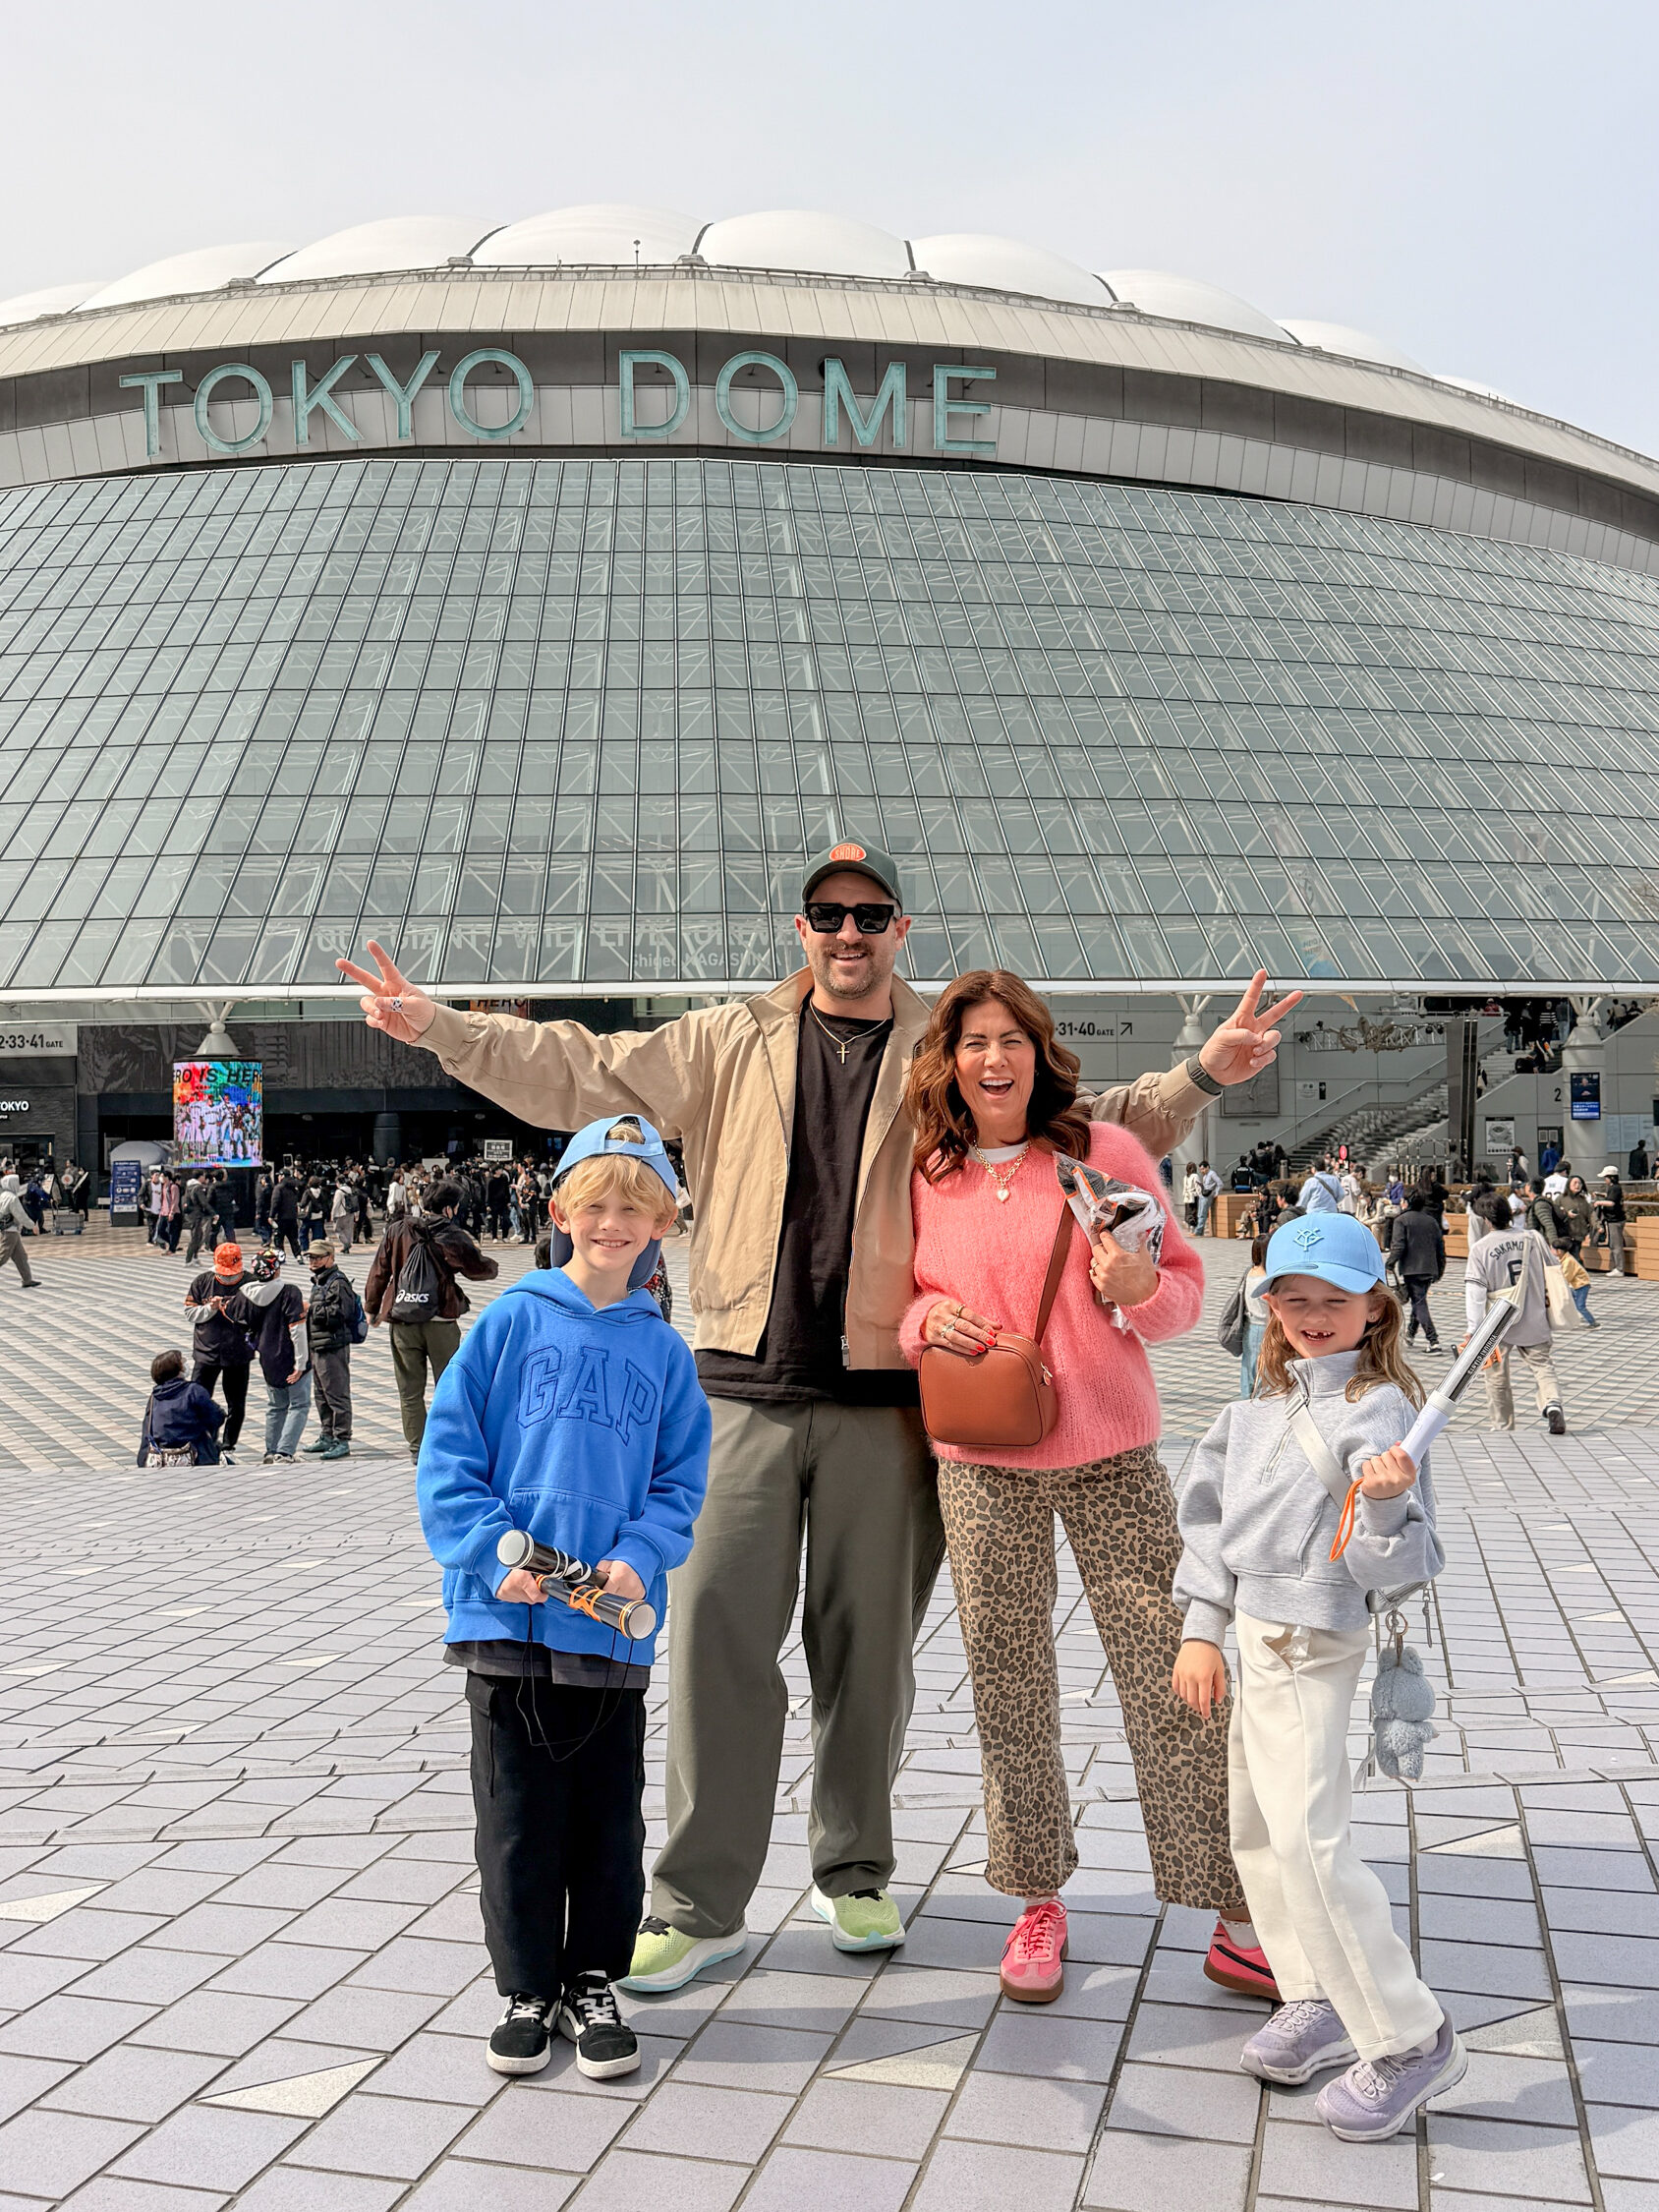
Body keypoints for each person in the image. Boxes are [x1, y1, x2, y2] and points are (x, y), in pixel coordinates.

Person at [339, 860, 1300, 1995]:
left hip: (888, 1401)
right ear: (801, 929)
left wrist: (1199, 1074)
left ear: (900, 929)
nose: (849, 933)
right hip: (743, 1388)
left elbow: (1077, 1120)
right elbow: (578, 1065)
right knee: (714, 1650)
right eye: (829, 916)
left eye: (870, 916)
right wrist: (439, 1028)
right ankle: (698, 1901)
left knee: (868, 1660)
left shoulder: (940, 1043)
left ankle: (854, 1868)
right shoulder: (726, 1039)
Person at [898, 972, 1265, 2006]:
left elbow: (1185, 1291)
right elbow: (902, 1301)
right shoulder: (927, 1170)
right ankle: (1034, 1900)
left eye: (1009, 1037)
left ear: (1038, 1049)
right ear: (949, 1060)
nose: (992, 1058)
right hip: (981, 1462)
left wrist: (1140, 1291)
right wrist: (926, 1325)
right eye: (972, 1041)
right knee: (1008, 1684)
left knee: (1173, 1671)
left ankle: (1235, 1910)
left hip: (1110, 1453)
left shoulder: (1103, 1153)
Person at [418, 1116, 710, 2081]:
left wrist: (640, 1554)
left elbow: (678, 1483)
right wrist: (481, 1551)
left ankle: (593, 1979)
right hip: (503, 1616)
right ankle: (524, 1986)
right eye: (596, 1204)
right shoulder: (510, 1320)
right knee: (513, 1818)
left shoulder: (663, 1351)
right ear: (560, 1213)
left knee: (604, 1819)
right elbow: (451, 1451)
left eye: (635, 1206)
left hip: (606, 1627)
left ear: (662, 1221)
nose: (613, 1222)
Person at [1173, 1214, 1459, 2143]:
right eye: (1291, 1299)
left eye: (1331, 1300)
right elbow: (1210, 1528)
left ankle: (1412, 2037)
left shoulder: (1380, 1415)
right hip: (1250, 1636)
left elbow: (1398, 1569)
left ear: (1376, 1305)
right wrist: (1202, 1629)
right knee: (1256, 1830)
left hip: (1312, 1642)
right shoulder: (1250, 1412)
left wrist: (1383, 1507)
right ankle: (1316, 1995)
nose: (1309, 1316)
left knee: (1310, 1842)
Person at [365, 1178, 499, 1455]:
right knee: (449, 1386)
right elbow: (479, 1270)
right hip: (441, 1321)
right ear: (449, 1208)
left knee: (409, 1390)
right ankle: (448, 1443)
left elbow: (380, 1270)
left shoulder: (397, 1229)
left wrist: (372, 1308)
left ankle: (417, 1448)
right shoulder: (452, 1234)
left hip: (402, 1319)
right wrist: (488, 1263)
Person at [1463, 1193, 1569, 1435]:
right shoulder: (1533, 1238)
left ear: (1486, 1220)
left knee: (1497, 1375)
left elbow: (1475, 1292)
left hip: (1498, 1321)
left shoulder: (1481, 1249)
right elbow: (1553, 1269)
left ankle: (1503, 1425)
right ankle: (1552, 1403)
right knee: (1542, 1365)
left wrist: (1473, 1328)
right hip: (1533, 1313)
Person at [227, 1250, 312, 1463]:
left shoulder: (244, 1293)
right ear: (275, 1270)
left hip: (267, 1356)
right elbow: (297, 1330)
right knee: (299, 1404)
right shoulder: (289, 1292)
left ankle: (270, 1450)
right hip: (290, 1355)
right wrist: (301, 1363)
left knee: (275, 1405)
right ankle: (285, 1451)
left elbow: (235, 1319)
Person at [184, 1242, 254, 1459]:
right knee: (197, 1398)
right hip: (207, 1352)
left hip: (238, 1352)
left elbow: (258, 1316)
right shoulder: (202, 1281)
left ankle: (229, 1442)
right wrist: (210, 1309)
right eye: (225, 1275)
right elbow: (189, 1312)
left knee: (236, 1401)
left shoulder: (251, 1283)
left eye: (233, 1275)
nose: (229, 1279)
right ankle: (199, 1437)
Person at [301, 1239, 363, 1460]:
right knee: (321, 1395)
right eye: (311, 1257)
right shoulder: (320, 1281)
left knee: (337, 1394)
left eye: (318, 1257)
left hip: (333, 1345)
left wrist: (311, 1309)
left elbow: (340, 1314)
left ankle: (342, 1438)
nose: (314, 1261)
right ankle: (327, 1434)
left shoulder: (338, 1282)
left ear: (330, 1258)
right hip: (318, 1345)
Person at [138, 1348, 225, 1467]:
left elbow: (148, 1430)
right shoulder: (193, 1391)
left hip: (162, 1459)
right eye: (182, 1362)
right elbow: (216, 1416)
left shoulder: (154, 1397)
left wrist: (142, 1460)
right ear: (177, 1369)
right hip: (197, 1456)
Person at [1387, 1193, 1446, 1352]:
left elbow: (1398, 1245)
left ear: (1407, 1203)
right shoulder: (1431, 1221)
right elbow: (1440, 1246)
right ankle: (1410, 1334)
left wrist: (1390, 1263)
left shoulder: (1402, 1220)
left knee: (1419, 1303)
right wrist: (1440, 1268)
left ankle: (1433, 1340)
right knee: (1418, 1301)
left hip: (1412, 1268)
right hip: (1430, 1267)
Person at [1239, 1236, 1271, 1396]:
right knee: (1262, 1369)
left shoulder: (1250, 1272)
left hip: (1249, 1325)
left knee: (1248, 1367)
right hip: (1264, 1326)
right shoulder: (1267, 1277)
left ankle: (1245, 1400)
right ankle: (1256, 1403)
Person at [0, 1179, 41, 1288]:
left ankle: (27, 1280)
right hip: (10, 1231)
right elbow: (21, 1215)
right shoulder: (12, 1198)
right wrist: (32, 1226)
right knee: (2, 1257)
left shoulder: (3, 1195)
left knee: (20, 1257)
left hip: (8, 1230)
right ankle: (27, 1279)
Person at [1594, 1168, 1628, 1274]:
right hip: (1616, 1219)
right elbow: (1611, 1198)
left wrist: (1599, 1203)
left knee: (1615, 1244)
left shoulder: (1614, 1188)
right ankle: (1617, 1267)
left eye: (1606, 1177)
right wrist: (1601, 1195)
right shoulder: (1614, 1188)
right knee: (1614, 1243)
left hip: (1615, 1220)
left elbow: (1612, 1202)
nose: (1605, 1180)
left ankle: (1619, 1268)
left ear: (1611, 1178)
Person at [1525, 1177, 1572, 1253]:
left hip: (1543, 1245)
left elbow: (1549, 1225)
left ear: (1529, 1187)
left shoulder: (1540, 1204)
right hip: (1539, 1244)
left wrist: (1554, 1245)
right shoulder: (1539, 1202)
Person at [1557, 1175, 1594, 1264]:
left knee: (1575, 1257)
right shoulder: (1561, 1199)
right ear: (1569, 1184)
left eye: (1580, 1183)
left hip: (1578, 1234)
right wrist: (1566, 1214)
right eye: (1575, 1183)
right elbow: (1555, 1213)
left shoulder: (1583, 1200)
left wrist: (1595, 1227)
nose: (1577, 1185)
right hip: (1564, 1234)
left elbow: (1590, 1215)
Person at [1559, 1248, 1598, 1328]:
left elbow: (1566, 1276)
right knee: (1569, 1302)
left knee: (1580, 1306)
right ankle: (1571, 1319)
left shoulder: (1568, 1261)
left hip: (1581, 1285)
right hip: (1575, 1286)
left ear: (1559, 1251)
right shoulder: (1565, 1258)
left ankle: (1593, 1323)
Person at [269, 1172, 303, 1261]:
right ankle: (298, 1255)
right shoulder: (294, 1187)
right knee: (293, 1238)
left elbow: (275, 1202)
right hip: (292, 1216)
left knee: (279, 1238)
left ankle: (281, 1257)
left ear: (282, 1176)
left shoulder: (279, 1188)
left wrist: (271, 1215)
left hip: (281, 1217)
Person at [328, 1176, 356, 1254]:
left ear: (338, 1183)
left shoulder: (339, 1191)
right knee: (348, 1229)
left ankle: (346, 1244)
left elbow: (336, 1204)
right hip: (350, 1212)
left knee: (337, 1229)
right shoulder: (349, 1189)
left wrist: (332, 1214)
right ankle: (346, 1246)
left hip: (341, 1213)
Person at [1196, 1159, 1223, 1236]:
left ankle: (1198, 1231)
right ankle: (1199, 1231)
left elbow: (1220, 1183)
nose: (1202, 1171)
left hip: (1208, 1195)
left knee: (1202, 1213)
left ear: (1207, 1167)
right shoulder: (1205, 1176)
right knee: (1200, 1213)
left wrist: (1216, 1192)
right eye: (1200, 1169)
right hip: (1203, 1194)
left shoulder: (1212, 1174)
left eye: (1203, 1169)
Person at [1181, 1164, 1200, 1230]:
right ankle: (1193, 1226)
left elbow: (1184, 1187)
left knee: (1188, 1211)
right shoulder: (1195, 1176)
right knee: (1194, 1211)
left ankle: (1189, 1224)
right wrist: (1200, 1194)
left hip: (1187, 1196)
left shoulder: (1185, 1177)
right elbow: (1197, 1186)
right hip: (1194, 1195)